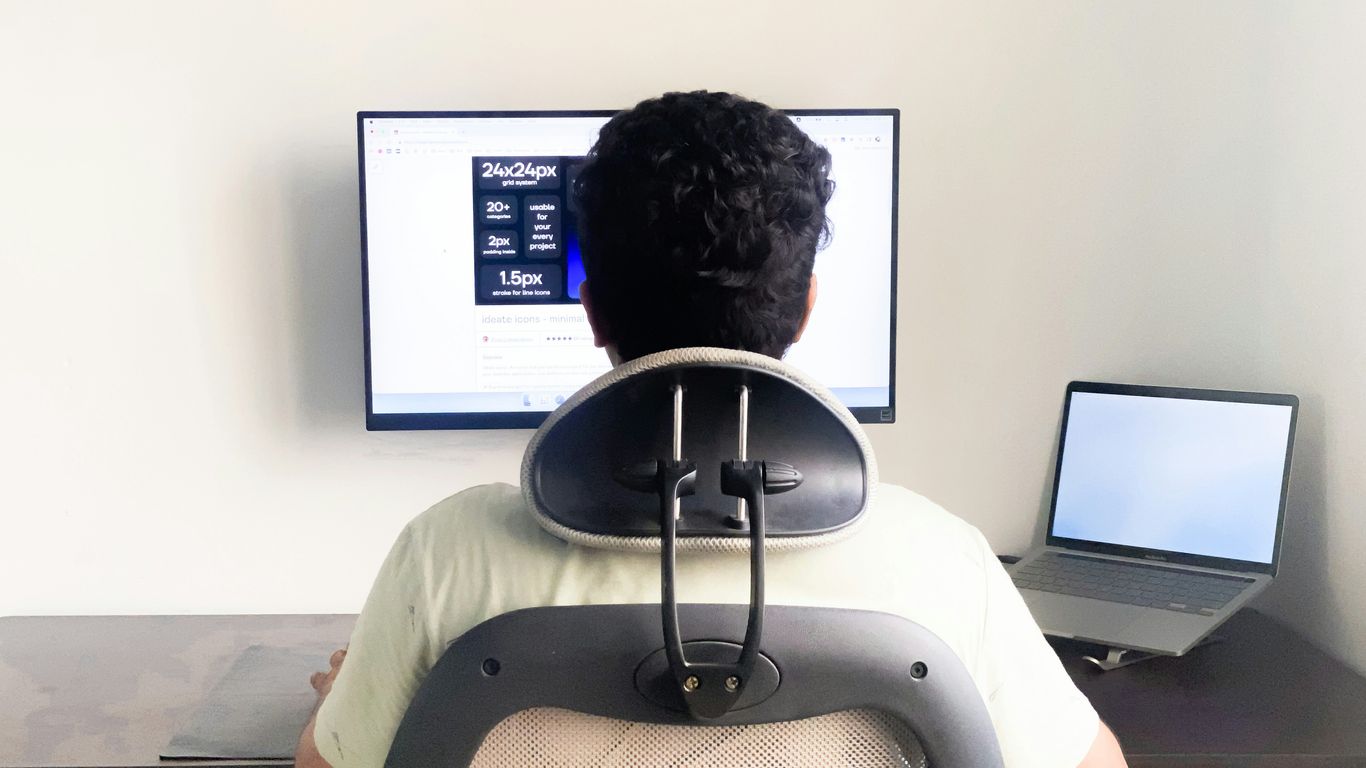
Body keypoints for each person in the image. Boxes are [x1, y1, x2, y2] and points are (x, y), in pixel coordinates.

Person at [295, 91, 1128, 768]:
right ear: (805, 309)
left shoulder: (445, 561)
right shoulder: (943, 564)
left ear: (589, 311)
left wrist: (359, 703)